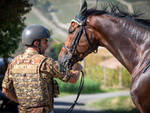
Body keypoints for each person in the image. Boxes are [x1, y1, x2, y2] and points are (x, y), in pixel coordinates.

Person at [2, 24, 82, 113]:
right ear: (36, 43)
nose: (47, 45)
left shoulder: (14, 63)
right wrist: (77, 69)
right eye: (45, 42)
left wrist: (22, 103)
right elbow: (73, 79)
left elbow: (6, 90)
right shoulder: (46, 62)